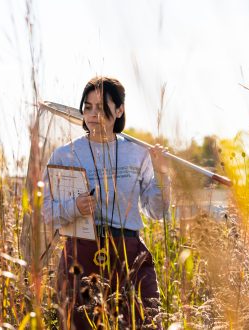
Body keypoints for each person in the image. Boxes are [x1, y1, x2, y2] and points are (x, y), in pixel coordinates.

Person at [41, 76, 171, 329]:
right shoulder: (65, 154)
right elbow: (48, 213)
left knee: (145, 320)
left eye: (101, 107)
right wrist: (75, 207)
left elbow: (156, 211)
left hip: (129, 251)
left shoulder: (138, 153)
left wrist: (162, 173)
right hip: (81, 254)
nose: (92, 114)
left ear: (119, 109)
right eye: (87, 107)